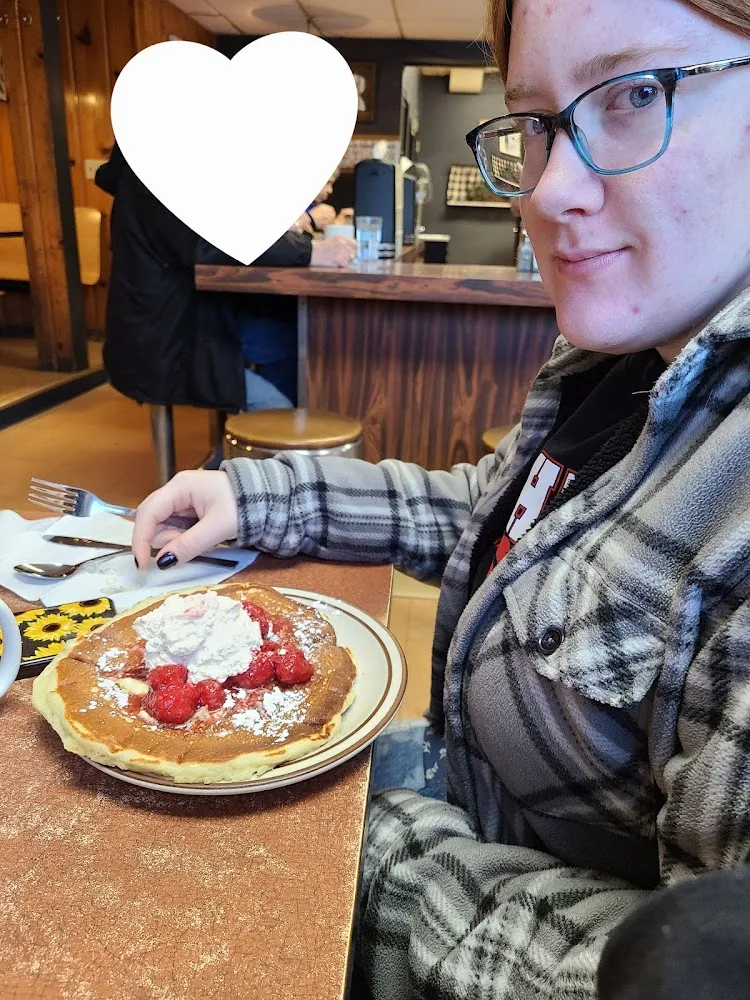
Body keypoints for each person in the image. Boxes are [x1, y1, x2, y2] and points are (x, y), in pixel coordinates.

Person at [131, 0, 750, 996]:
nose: (550, 192)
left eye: (636, 94)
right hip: (455, 787)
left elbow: (657, 968)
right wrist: (259, 495)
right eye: (539, 122)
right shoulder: (618, 357)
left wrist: (345, 849)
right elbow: (491, 521)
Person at [95, 145, 356, 413]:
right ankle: (255, 441)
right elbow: (211, 242)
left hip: (196, 318)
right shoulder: (153, 176)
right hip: (166, 342)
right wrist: (310, 251)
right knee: (279, 409)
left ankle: (249, 440)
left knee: (288, 341)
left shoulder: (164, 168)